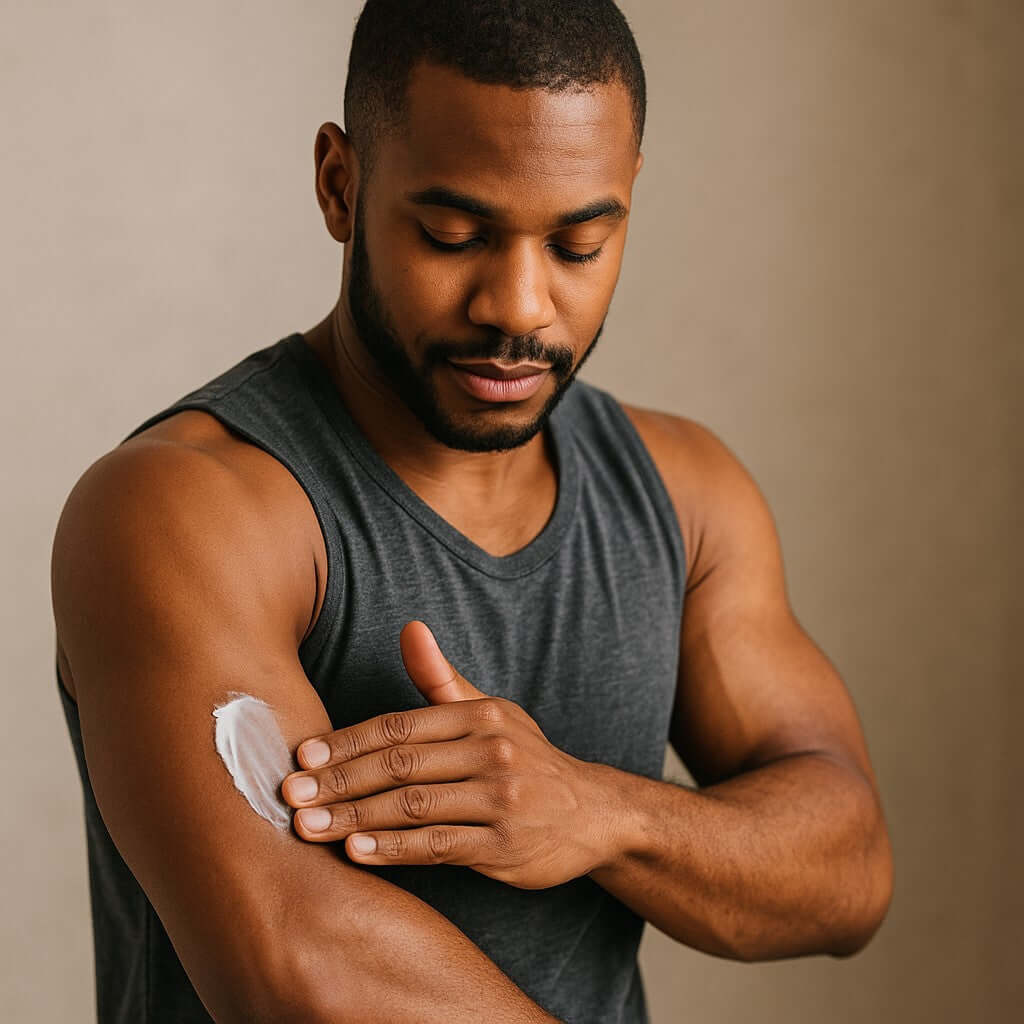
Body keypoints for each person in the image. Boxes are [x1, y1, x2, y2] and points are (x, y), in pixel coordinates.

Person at [50, 2, 893, 1022]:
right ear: (340, 185)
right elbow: (301, 962)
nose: (520, 307)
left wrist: (597, 812)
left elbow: (846, 869)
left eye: (578, 244)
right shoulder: (187, 508)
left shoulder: (685, 494)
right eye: (456, 235)